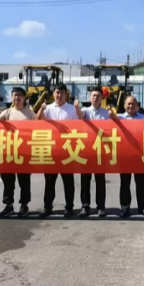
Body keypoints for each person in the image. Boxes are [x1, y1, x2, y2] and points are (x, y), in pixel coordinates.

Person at [37, 83, 81, 218]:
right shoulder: (48, 108)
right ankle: (47, 207)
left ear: (66, 94)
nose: (59, 95)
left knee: (68, 181)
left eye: (62, 93)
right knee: (49, 181)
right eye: (57, 92)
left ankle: (69, 208)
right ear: (53, 94)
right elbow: (38, 121)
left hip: (68, 150)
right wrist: (41, 109)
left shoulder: (72, 109)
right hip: (52, 150)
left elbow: (81, 124)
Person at [0, 87, 35, 218]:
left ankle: (24, 205)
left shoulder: (29, 114)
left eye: (19, 96)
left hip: (24, 152)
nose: (17, 98)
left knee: (24, 181)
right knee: (8, 180)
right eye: (14, 95)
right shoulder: (7, 112)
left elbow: (38, 129)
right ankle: (8, 205)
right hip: (8, 151)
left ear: (24, 98)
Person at [79, 88, 119, 217]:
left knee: (100, 180)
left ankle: (101, 207)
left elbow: (115, 126)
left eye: (98, 96)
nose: (95, 98)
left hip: (101, 151)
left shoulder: (106, 113)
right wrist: (76, 107)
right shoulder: (84, 112)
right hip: (86, 150)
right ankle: (85, 207)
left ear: (102, 98)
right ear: (90, 98)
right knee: (85, 180)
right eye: (93, 96)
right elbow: (79, 117)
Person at [118, 95, 144, 218]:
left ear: (137, 106)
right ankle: (125, 208)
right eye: (128, 104)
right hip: (124, 155)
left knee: (140, 182)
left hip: (139, 155)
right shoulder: (119, 118)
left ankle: (143, 208)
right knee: (125, 182)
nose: (130, 106)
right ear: (124, 105)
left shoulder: (143, 118)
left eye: (133, 104)